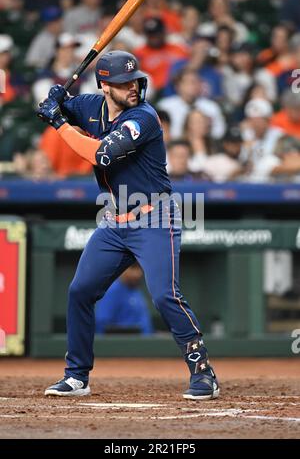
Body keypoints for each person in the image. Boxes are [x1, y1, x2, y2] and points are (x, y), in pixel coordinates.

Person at [37, 50, 219, 400]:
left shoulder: (144, 117)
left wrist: (57, 122)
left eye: (135, 81)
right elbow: (65, 104)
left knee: (166, 295)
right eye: (123, 83)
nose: (132, 87)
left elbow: (101, 154)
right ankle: (77, 376)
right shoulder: (92, 105)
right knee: (80, 291)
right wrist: (56, 97)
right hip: (114, 220)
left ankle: (203, 373)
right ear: (105, 86)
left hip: (155, 215)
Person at [95, 263, 154, 335]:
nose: (137, 273)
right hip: (125, 344)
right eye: (133, 268)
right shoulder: (113, 291)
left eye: (140, 268)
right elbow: (102, 325)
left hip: (145, 343)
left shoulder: (137, 291)